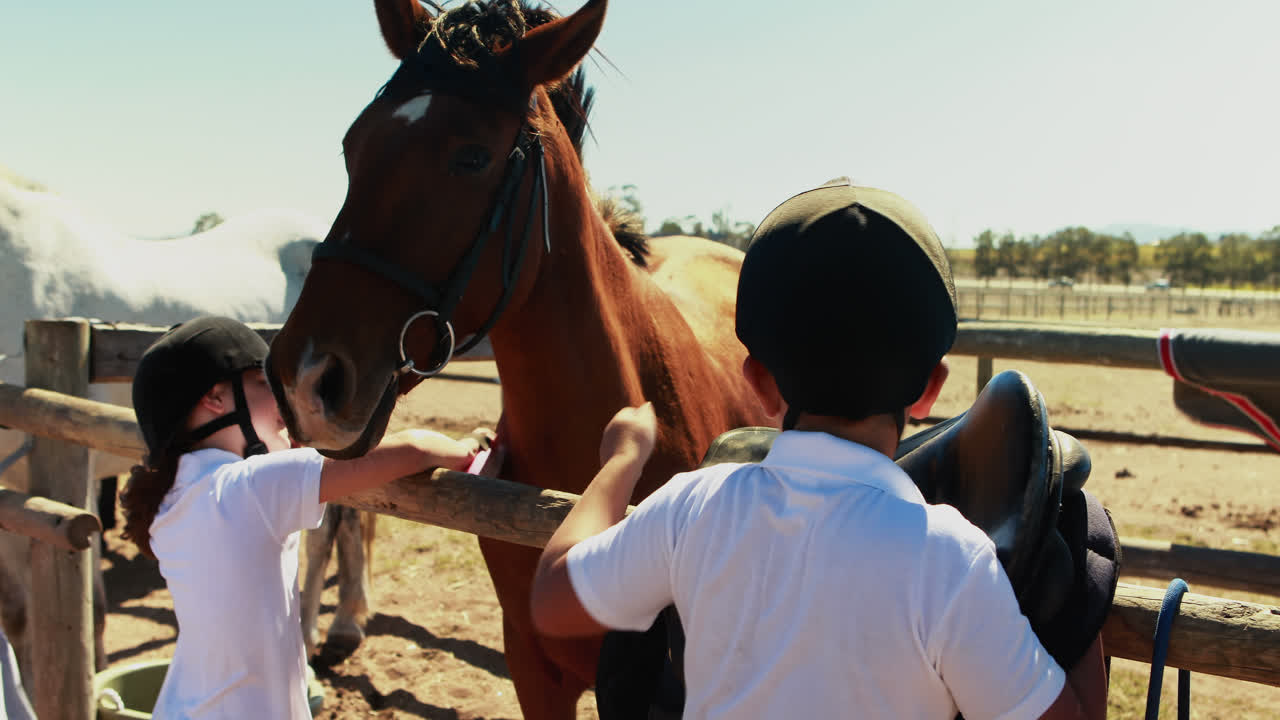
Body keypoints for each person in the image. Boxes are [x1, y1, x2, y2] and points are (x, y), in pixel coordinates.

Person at [528, 180, 1108, 719]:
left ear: (758, 383)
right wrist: (1080, 583)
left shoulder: (691, 509)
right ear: (931, 388)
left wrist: (622, 462)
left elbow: (554, 596)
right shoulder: (951, 562)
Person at [119, 316, 479, 719]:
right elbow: (413, 448)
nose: (281, 403)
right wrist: (472, 446)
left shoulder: (173, 500)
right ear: (215, 399)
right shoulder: (249, 487)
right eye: (263, 385)